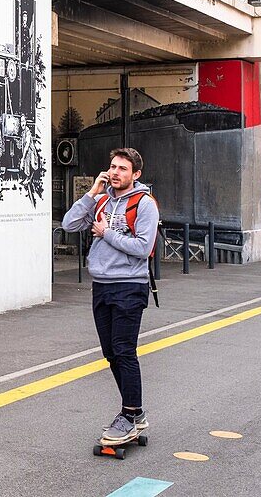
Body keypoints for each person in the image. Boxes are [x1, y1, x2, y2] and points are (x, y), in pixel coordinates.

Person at [62, 147, 158, 446]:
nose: (115, 173)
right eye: (113, 167)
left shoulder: (145, 204)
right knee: (110, 352)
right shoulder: (101, 200)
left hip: (130, 285)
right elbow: (69, 225)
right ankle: (136, 413)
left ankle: (129, 415)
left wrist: (106, 234)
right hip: (101, 284)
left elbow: (143, 247)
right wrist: (91, 194)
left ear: (136, 174)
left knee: (124, 350)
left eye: (123, 169)